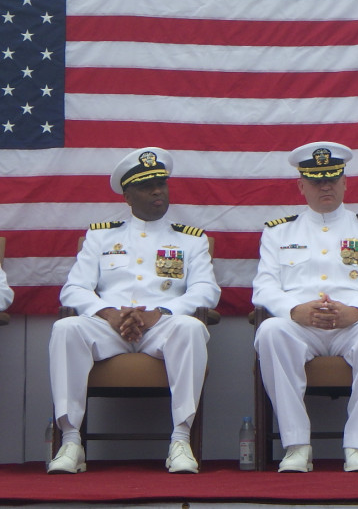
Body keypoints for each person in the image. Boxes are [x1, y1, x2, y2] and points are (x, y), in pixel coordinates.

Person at [47, 147, 220, 475]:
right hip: (110, 328)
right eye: (145, 186)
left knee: (192, 327)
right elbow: (73, 289)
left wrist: (159, 312)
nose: (157, 191)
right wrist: (109, 313)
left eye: (161, 184)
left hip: (161, 328)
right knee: (66, 329)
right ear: (127, 196)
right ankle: (71, 442)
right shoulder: (101, 236)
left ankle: (181, 440)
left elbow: (206, 291)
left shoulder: (191, 240)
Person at [253, 141, 358, 473]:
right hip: (301, 325)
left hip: (352, 325)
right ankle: (296, 446)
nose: (326, 186)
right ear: (301, 185)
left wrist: (356, 310)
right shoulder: (279, 232)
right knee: (270, 330)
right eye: (317, 180)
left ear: (345, 183)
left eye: (333, 179)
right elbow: (264, 287)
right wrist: (294, 310)